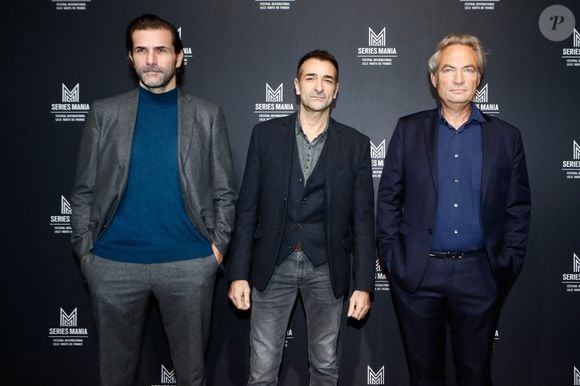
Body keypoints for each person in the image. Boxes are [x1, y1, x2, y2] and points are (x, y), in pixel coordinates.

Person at [70, 13, 236, 386]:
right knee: (115, 376)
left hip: (190, 264)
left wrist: (217, 250)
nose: (150, 60)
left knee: (191, 377)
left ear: (178, 57)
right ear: (130, 58)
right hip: (112, 265)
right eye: (141, 50)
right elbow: (83, 190)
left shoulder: (207, 115)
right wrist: (86, 253)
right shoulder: (105, 113)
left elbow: (225, 190)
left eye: (160, 50)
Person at [376, 33, 531, 386]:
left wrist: (506, 262)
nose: (458, 79)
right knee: (424, 376)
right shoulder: (409, 130)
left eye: (468, 69)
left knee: (476, 375)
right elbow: (388, 199)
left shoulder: (507, 137)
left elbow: (517, 207)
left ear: (479, 78)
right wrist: (392, 258)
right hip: (418, 274)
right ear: (434, 79)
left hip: (480, 274)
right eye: (448, 69)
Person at [227, 49, 375, 385]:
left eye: (327, 80)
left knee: (325, 365)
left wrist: (364, 284)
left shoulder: (355, 144)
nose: (319, 87)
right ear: (296, 85)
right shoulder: (264, 136)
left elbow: (364, 221)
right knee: (262, 368)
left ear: (337, 90)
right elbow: (247, 208)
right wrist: (238, 273)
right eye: (311, 78)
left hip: (326, 267)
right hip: (272, 264)